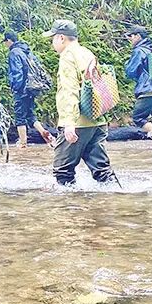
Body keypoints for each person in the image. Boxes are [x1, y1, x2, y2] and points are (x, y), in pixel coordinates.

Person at [43, 19, 118, 186]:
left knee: (63, 169)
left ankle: (70, 209)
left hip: (78, 123)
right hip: (97, 120)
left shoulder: (67, 56)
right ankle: (115, 199)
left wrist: (69, 123)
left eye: (53, 38)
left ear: (61, 38)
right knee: (102, 170)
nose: (52, 43)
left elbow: (69, 90)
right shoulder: (87, 52)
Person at [4, 30, 54, 148]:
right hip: (32, 88)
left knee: (19, 116)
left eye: (5, 42)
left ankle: (22, 144)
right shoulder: (27, 51)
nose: (5, 44)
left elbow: (17, 72)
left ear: (9, 41)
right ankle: (45, 133)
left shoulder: (14, 53)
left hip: (22, 89)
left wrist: (16, 88)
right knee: (30, 115)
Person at [124, 25, 152, 134]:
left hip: (147, 90)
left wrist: (127, 65)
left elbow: (131, 71)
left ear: (138, 36)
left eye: (131, 36)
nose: (129, 39)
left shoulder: (139, 51)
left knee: (138, 117)